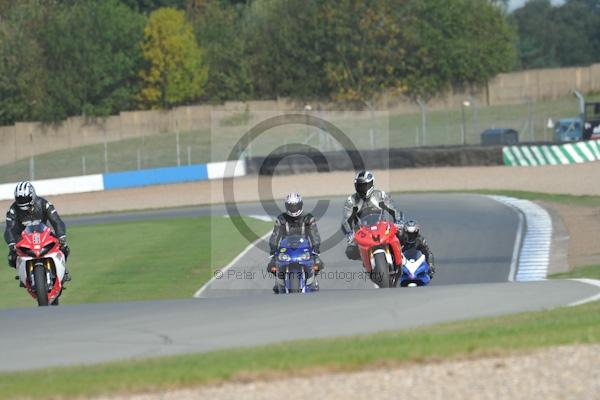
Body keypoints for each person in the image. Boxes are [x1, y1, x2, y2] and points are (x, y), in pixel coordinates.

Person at [5, 181, 71, 282]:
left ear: (32, 195)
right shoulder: (13, 210)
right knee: (11, 258)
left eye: (25, 198)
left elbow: (56, 220)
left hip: (43, 232)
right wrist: (11, 243)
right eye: (20, 199)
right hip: (22, 237)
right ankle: (23, 274)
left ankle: (64, 270)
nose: (23, 201)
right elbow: (9, 228)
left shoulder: (44, 204)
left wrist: (61, 235)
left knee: (64, 248)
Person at [341, 170, 404, 260]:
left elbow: (394, 210)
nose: (361, 188)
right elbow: (346, 221)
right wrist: (350, 234)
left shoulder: (380, 196)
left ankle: (405, 257)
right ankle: (366, 261)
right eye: (359, 186)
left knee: (404, 235)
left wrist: (399, 222)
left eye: (363, 185)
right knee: (350, 251)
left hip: (382, 226)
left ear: (370, 184)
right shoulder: (351, 201)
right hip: (363, 231)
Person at [267, 193, 323, 293]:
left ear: (300, 205)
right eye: (291, 206)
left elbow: (315, 234)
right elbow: (275, 235)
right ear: (287, 206)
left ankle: (313, 281)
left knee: (318, 264)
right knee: (271, 266)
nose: (293, 208)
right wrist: (273, 248)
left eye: (295, 206)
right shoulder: (281, 219)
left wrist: (316, 248)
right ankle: (278, 283)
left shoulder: (308, 218)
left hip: (304, 249)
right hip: (286, 249)